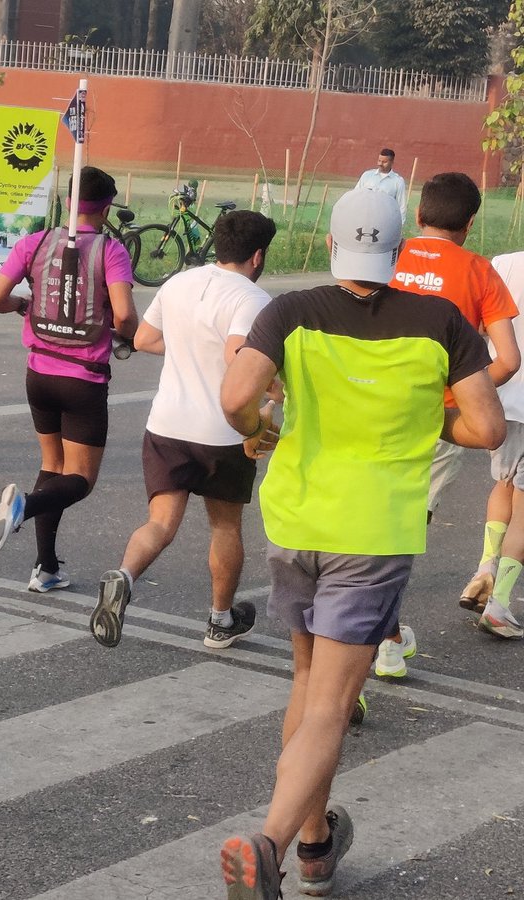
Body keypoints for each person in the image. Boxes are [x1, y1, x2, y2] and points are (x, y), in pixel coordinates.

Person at [217, 188, 503, 900]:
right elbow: (488, 428)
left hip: (298, 522)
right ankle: (271, 844)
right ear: (399, 250)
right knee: (332, 705)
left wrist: (262, 422)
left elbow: (233, 400)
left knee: (308, 686)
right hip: (371, 534)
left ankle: (315, 847)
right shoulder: (439, 321)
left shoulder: (290, 311)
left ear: (329, 245)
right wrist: (429, 426)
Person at [92, 210, 277, 650]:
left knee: (160, 523)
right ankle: (219, 621)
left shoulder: (179, 282)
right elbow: (238, 353)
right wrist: (274, 393)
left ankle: (125, 576)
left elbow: (143, 340)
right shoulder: (252, 298)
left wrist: (189, 350)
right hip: (223, 433)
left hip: (167, 425)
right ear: (257, 255)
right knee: (225, 527)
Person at [378, 171, 519, 676]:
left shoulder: (387, 253)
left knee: (369, 516)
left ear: (418, 214)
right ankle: (385, 637)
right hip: (433, 418)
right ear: (471, 223)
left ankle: (379, 630)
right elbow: (508, 357)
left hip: (367, 401)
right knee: (406, 525)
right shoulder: (479, 271)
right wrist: (463, 396)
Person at [0, 166, 138, 592]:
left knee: (52, 467)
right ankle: (23, 507)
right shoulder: (110, 250)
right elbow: (123, 314)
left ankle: (45, 568)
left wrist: (21, 306)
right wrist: (127, 334)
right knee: (80, 480)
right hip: (83, 379)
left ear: (67, 202)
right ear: (105, 210)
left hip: (39, 373)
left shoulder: (35, 241)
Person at [459, 249, 524, 639]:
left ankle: (485, 569)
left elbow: (479, 327)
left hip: (501, 392)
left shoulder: (503, 263)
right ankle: (499, 602)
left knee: (504, 483)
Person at [355, 147, 407, 223]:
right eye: (379, 160)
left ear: (392, 162)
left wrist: (400, 226)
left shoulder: (398, 181)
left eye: (384, 162)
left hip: (385, 221)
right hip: (364, 218)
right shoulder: (367, 175)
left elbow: (401, 206)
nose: (380, 164)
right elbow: (355, 195)